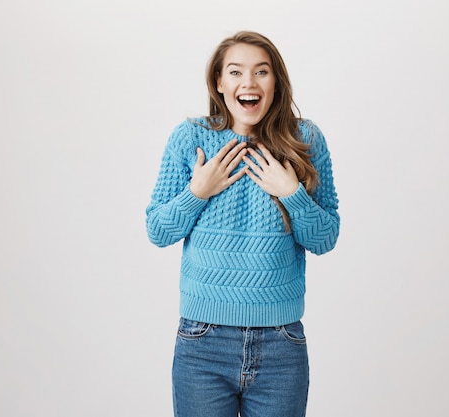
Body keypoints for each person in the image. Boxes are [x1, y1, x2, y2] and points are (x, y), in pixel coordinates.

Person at [146, 31, 340, 417]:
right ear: (219, 82)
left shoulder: (305, 140)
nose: (248, 83)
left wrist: (292, 194)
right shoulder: (190, 139)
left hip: (281, 344)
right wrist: (198, 191)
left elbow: (326, 238)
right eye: (235, 72)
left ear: (276, 82)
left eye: (261, 72)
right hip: (203, 342)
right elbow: (158, 230)